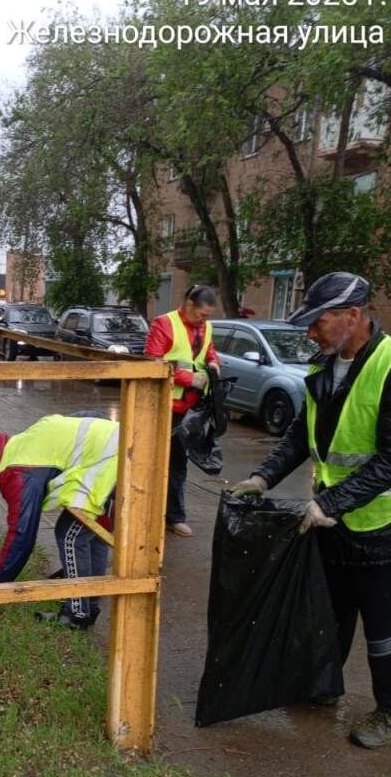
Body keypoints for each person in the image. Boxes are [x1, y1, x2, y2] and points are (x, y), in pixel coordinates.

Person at [232, 271, 391, 749]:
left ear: (352, 317)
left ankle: (388, 712)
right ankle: (324, 685)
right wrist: (263, 477)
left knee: (382, 629)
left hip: (381, 526)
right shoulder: (325, 368)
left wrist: (331, 502)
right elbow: (303, 435)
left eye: (317, 322)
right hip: (332, 521)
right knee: (332, 612)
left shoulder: (388, 367)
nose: (310, 333)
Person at [0, 413, 118, 629]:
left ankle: (77, 615)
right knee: (92, 532)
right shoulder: (26, 443)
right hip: (120, 452)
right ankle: (88, 604)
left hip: (108, 462)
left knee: (70, 536)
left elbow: (21, 537)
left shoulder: (15, 470)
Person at [145, 284, 221, 537]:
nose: (204, 321)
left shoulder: (206, 327)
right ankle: (146, 513)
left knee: (178, 464)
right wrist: (188, 379)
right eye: (202, 315)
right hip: (162, 407)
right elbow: (152, 364)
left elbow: (209, 352)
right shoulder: (164, 324)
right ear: (189, 305)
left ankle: (174, 517)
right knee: (151, 462)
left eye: (208, 316)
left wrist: (213, 363)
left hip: (189, 410)